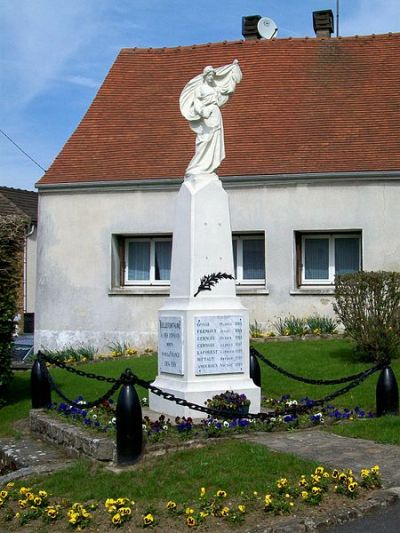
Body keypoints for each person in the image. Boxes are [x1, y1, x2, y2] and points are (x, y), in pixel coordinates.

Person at [179, 60, 242, 177]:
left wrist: (232, 76)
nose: (211, 78)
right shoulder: (200, 88)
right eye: (209, 75)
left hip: (215, 113)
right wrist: (203, 112)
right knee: (205, 138)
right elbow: (196, 102)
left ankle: (210, 164)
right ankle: (198, 165)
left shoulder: (215, 89)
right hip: (206, 114)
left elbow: (225, 93)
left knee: (215, 138)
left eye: (213, 76)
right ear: (205, 76)